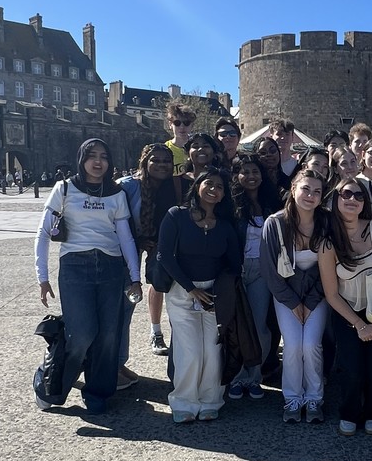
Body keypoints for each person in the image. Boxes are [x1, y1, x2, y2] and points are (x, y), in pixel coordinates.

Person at [34, 139, 141, 414]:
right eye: (92, 156)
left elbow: (126, 238)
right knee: (81, 334)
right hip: (75, 266)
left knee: (108, 336)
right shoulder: (65, 188)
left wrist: (135, 276)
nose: (98, 162)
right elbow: (44, 233)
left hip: (110, 267)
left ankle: (98, 393)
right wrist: (42, 276)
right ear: (81, 159)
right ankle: (50, 385)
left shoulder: (116, 194)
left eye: (104, 156)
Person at [318, 177, 372, 436]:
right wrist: (359, 324)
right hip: (348, 312)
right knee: (352, 369)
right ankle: (349, 412)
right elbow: (332, 294)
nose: (352, 199)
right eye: (346, 194)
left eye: (359, 195)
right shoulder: (328, 241)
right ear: (336, 198)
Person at [157, 170, 243, 423]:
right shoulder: (176, 215)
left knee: (213, 351)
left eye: (220, 186)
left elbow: (234, 264)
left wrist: (221, 289)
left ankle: (210, 400)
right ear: (197, 187)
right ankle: (183, 402)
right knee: (190, 351)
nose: (214, 189)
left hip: (214, 295)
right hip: (182, 292)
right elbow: (164, 255)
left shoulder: (226, 226)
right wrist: (190, 288)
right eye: (209, 183)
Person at [260, 170, 329, 423]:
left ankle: (314, 399)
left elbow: (331, 268)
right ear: (293, 188)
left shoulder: (327, 222)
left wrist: (310, 302)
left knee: (311, 344)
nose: (310, 195)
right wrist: (292, 303)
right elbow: (269, 271)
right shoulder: (275, 223)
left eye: (317, 191)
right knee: (292, 345)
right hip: (285, 294)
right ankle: (292, 399)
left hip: (318, 294)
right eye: (306, 189)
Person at [227, 155, 282, 401]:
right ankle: (237, 377)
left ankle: (254, 376)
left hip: (262, 270)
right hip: (238, 269)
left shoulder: (272, 203)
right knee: (239, 327)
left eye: (255, 172)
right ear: (237, 176)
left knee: (260, 326)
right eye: (245, 172)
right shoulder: (231, 205)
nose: (251, 176)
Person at [118, 143, 177, 367]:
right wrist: (139, 240)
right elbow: (116, 219)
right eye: (155, 160)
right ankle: (118, 362)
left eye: (166, 161)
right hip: (126, 245)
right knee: (124, 301)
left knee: (159, 283)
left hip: (155, 243)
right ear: (144, 162)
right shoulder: (127, 186)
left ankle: (120, 361)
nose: (161, 164)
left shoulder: (171, 187)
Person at [164, 103, 196, 176]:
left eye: (186, 123)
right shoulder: (165, 149)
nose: (182, 127)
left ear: (192, 125)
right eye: (177, 123)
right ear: (170, 125)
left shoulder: (197, 149)